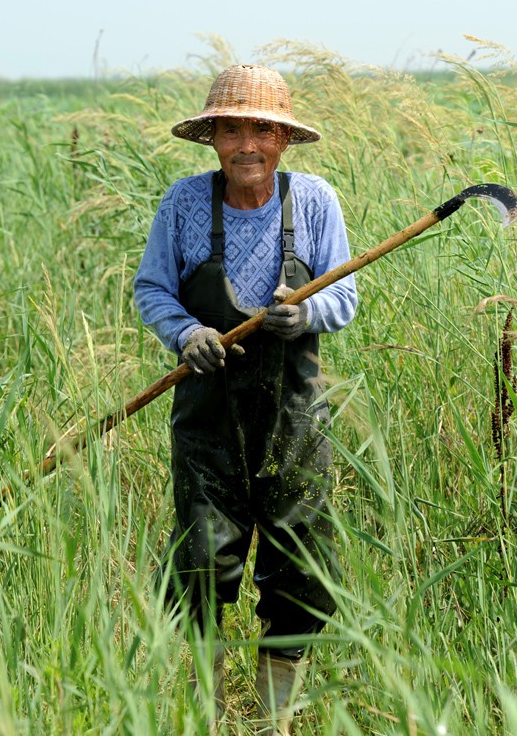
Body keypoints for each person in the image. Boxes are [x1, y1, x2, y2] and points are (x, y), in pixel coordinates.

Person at [134, 64, 357, 733]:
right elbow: (152, 290)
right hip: (207, 416)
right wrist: (187, 332)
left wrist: (308, 313)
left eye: (262, 128)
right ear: (213, 140)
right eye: (232, 129)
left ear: (283, 140)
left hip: (293, 416)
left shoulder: (314, 201)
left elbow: (345, 294)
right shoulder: (182, 204)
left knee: (298, 562)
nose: (247, 144)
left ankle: (271, 719)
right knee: (202, 557)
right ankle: (204, 706)